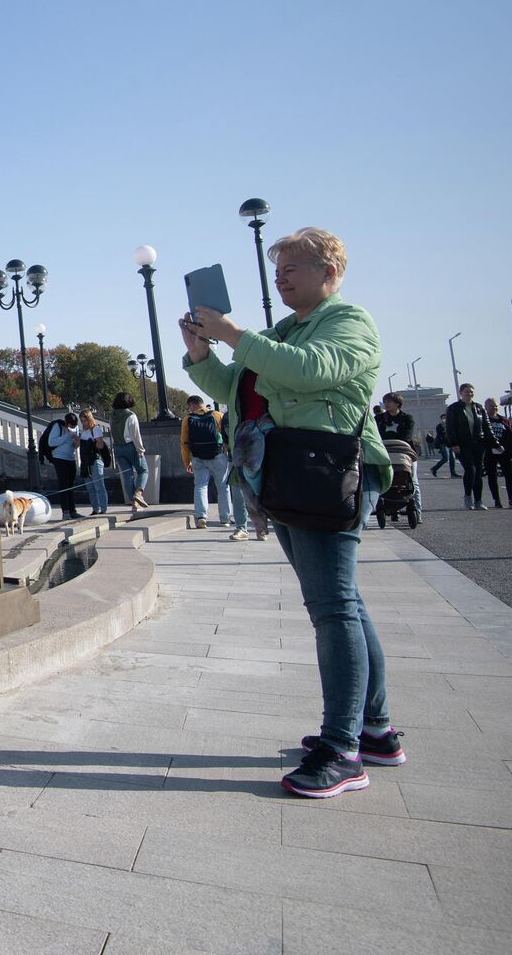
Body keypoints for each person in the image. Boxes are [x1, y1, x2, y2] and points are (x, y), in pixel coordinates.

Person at [180, 225, 399, 798]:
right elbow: (236, 388)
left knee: (333, 609)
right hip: (290, 472)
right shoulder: (285, 329)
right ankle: (374, 728)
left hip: (328, 472)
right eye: (278, 270)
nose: (281, 277)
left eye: (292, 268)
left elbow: (307, 371)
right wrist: (203, 351)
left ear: (329, 273)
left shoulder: (350, 322)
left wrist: (236, 333)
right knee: (340, 603)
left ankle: (343, 749)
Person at [179, 395, 232, 531]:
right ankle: (225, 519)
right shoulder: (217, 415)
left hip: (198, 457)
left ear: (192, 405)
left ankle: (201, 517)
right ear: (202, 404)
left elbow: (184, 443)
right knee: (223, 487)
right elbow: (226, 436)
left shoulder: (187, 419)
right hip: (217, 455)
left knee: (201, 486)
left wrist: (187, 462)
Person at [376, 392, 422, 519]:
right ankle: (388, 506)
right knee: (383, 480)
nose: (386, 404)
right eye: (385, 402)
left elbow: (407, 436)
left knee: (413, 481)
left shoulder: (407, 418)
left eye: (389, 401)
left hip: (405, 452)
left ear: (397, 403)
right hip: (385, 452)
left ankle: (418, 510)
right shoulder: (379, 419)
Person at [445, 384, 490, 510]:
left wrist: (494, 443)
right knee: (471, 470)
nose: (469, 394)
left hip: (478, 444)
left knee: (478, 472)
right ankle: (468, 497)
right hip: (462, 444)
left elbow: (486, 426)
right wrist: (453, 443)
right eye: (466, 392)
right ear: (460, 393)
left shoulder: (479, 408)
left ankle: (478, 501)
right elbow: (450, 427)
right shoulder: (453, 408)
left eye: (471, 392)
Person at [109, 391, 148, 511]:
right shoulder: (130, 415)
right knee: (143, 470)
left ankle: (133, 503)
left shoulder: (112, 416)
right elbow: (135, 435)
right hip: (130, 446)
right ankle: (138, 493)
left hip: (118, 447)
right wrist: (140, 450)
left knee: (127, 475)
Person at [483, 398, 512, 509]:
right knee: (492, 476)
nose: (493, 407)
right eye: (490, 405)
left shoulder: (504, 420)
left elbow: (511, 437)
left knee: (509, 475)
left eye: (495, 405)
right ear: (485, 407)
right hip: (490, 452)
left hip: (505, 451)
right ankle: (497, 500)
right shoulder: (483, 420)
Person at [46, 411, 81, 518]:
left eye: (74, 426)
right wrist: (66, 436)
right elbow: (51, 442)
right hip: (59, 458)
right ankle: (65, 511)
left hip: (70, 458)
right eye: (71, 425)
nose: (73, 427)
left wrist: (76, 443)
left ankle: (72, 510)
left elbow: (73, 446)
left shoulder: (74, 429)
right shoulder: (58, 426)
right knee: (64, 484)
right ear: (67, 422)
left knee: (71, 484)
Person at [76, 408, 111, 516]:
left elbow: (100, 444)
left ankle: (103, 508)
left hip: (95, 460)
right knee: (90, 487)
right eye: (82, 421)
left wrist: (90, 444)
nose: (84, 423)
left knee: (98, 486)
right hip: (85, 462)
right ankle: (95, 508)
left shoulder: (95, 429)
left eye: (85, 420)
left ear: (90, 419)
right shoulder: (82, 432)